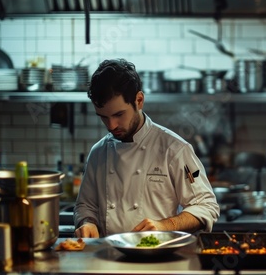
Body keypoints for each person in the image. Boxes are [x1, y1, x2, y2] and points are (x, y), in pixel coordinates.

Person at [74, 58, 220, 238]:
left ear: (139, 100)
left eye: (119, 114)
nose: (111, 126)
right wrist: (87, 222)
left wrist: (164, 226)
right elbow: (85, 205)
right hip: (109, 259)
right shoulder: (98, 153)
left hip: (158, 259)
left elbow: (206, 206)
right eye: (103, 117)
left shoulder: (174, 149)